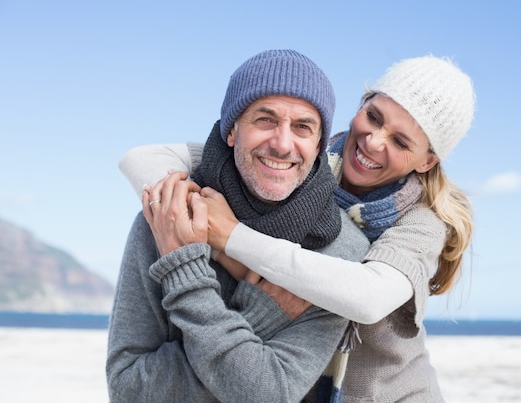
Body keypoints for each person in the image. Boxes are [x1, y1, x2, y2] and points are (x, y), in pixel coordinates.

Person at [122, 55, 476, 402]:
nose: (374, 141)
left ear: (427, 161)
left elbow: (366, 299)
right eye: (373, 117)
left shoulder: (419, 222)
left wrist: (230, 242)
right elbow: (142, 160)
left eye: (400, 142)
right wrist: (182, 207)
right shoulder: (308, 162)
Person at [106, 49, 370, 403]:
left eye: (303, 127)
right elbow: (128, 389)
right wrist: (263, 319)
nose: (282, 143)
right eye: (265, 119)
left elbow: (269, 394)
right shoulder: (167, 218)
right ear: (231, 130)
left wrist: (185, 273)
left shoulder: (341, 254)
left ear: (320, 145)